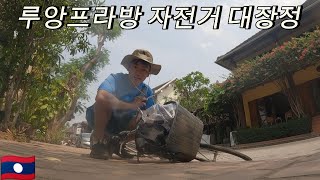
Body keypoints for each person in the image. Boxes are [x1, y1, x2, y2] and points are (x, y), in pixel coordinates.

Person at [86, 49, 161, 159]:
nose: (138, 73)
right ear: (129, 68)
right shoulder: (115, 79)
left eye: (143, 70)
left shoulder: (147, 91)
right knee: (102, 103)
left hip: (123, 125)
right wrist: (132, 105)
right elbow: (101, 97)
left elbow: (153, 117)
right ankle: (98, 142)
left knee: (148, 121)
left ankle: (117, 143)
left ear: (148, 74)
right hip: (100, 118)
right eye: (135, 67)